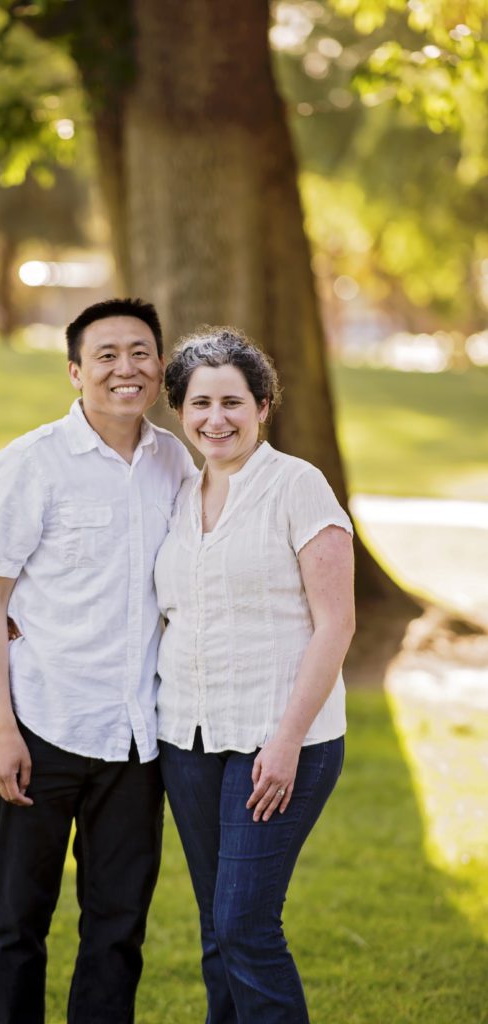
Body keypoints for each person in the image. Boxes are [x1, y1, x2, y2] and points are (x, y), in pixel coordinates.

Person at [0, 298, 194, 1024]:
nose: (124, 368)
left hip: (136, 740)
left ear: (159, 367)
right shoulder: (31, 463)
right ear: (75, 372)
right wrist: (3, 731)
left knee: (117, 931)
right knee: (17, 927)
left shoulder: (175, 461)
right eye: (106, 355)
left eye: (139, 352)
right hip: (44, 726)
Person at [154, 327, 355, 1024]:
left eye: (233, 402)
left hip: (278, 740)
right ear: (178, 411)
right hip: (187, 736)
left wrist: (286, 740)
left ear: (262, 406)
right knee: (217, 929)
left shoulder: (297, 486)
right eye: (200, 402)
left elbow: (336, 624)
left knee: (245, 924)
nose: (216, 418)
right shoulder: (176, 494)